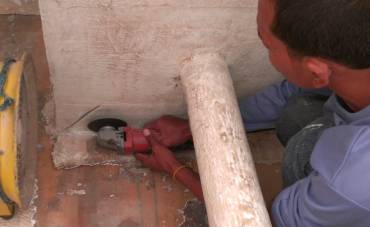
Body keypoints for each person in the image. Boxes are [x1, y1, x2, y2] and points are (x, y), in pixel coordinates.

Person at [135, 0, 370, 226]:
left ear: (317, 72)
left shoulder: (350, 182)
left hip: (354, 189)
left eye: (266, 43)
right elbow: (289, 91)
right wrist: (190, 128)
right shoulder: (354, 63)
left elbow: (259, 221)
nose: (263, 45)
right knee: (297, 113)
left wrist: (177, 170)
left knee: (299, 151)